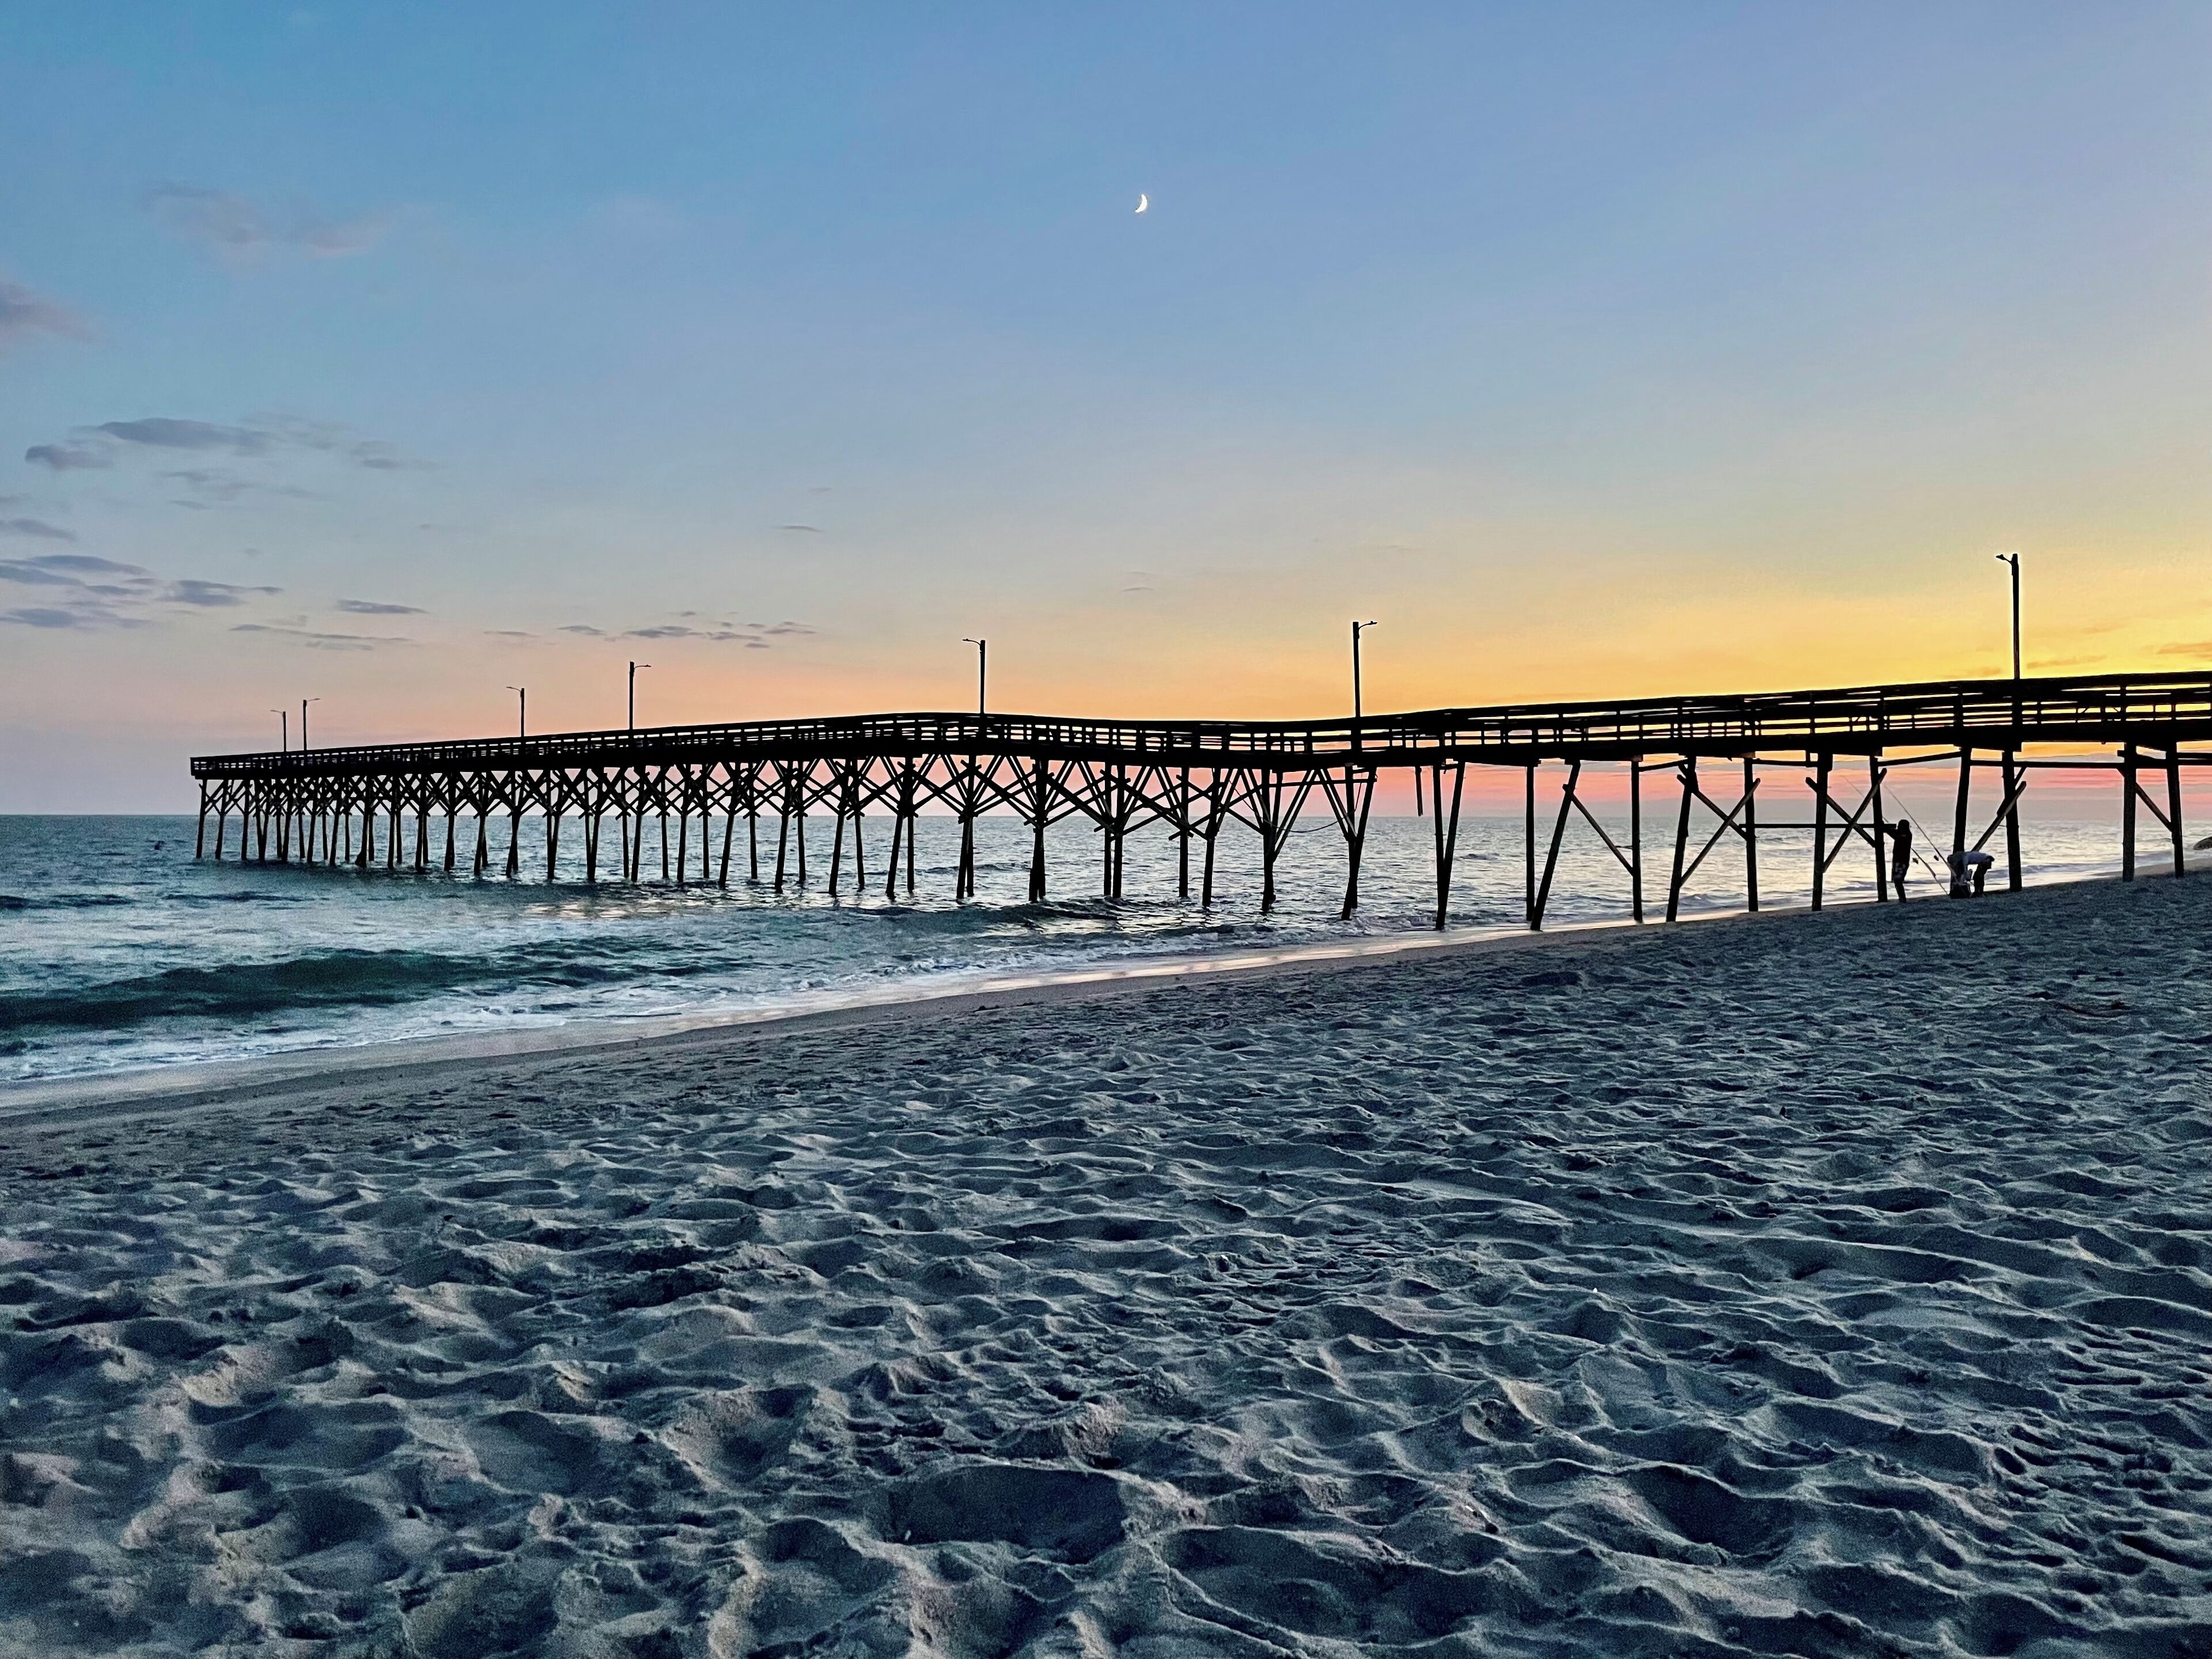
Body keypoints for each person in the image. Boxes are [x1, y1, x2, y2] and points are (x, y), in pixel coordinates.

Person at [1888, 819, 1912, 899]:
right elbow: (1894, 833)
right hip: (1897, 861)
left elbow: (1895, 835)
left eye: (1900, 826)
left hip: (1903, 862)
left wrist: (1887, 830)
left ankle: (1902, 898)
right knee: (1896, 881)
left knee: (1898, 881)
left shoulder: (1907, 835)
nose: (1898, 828)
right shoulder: (1902, 834)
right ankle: (1901, 897)